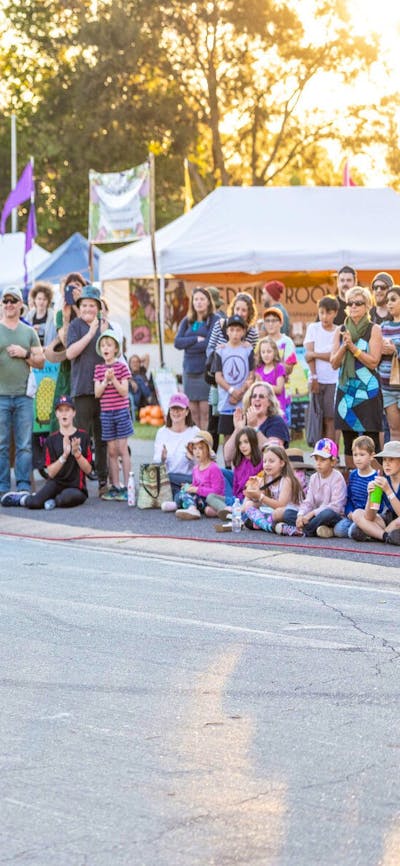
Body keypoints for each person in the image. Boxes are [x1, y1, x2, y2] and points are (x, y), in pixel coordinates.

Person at [1, 395, 91, 510]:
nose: (64, 414)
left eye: (67, 410)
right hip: (56, 483)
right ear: (56, 414)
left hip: (76, 487)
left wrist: (77, 455)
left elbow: (88, 470)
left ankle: (53, 500)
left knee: (63, 499)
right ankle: (22, 498)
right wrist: (64, 456)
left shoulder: (83, 436)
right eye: (61, 410)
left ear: (73, 413)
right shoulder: (51, 440)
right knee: (34, 503)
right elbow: (51, 473)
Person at [331, 286, 383, 468]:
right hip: (346, 389)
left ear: (367, 305)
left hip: (368, 390)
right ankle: (353, 485)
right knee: (349, 439)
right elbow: (334, 363)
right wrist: (344, 347)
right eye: (350, 303)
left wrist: (353, 348)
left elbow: (374, 361)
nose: (353, 306)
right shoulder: (341, 330)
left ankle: (377, 487)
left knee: (372, 440)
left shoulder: (374, 329)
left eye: (358, 303)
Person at [0, 286, 44, 497]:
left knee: (24, 445)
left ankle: (24, 486)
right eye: (5, 300)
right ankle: (3, 487)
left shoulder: (29, 332)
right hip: (1, 396)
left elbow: (41, 362)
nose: (9, 304)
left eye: (13, 300)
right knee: (1, 444)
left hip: (24, 397)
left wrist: (23, 353)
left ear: (20, 305)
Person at [66, 284, 110, 495]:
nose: (88, 309)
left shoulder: (105, 325)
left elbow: (111, 353)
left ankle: (103, 480)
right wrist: (91, 333)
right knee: (81, 437)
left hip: (103, 388)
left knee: (102, 437)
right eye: (84, 305)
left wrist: (102, 332)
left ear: (98, 307)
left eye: (92, 305)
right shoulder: (75, 325)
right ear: (79, 307)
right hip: (82, 388)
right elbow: (70, 353)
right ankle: (79, 480)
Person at [206, 291, 258, 450]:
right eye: (238, 309)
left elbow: (251, 368)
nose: (240, 313)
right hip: (222, 388)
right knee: (216, 425)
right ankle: (216, 464)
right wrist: (219, 351)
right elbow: (210, 349)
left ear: (249, 312)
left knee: (243, 431)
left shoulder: (252, 335)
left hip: (242, 391)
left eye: (244, 310)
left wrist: (240, 392)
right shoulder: (220, 325)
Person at [275, 438, 347, 538]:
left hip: (331, 516)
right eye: (316, 459)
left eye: (323, 460)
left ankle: (302, 531)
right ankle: (314, 530)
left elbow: (336, 507)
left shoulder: (337, 477)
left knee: (327, 514)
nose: (318, 463)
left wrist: (312, 513)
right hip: (315, 518)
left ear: (333, 462)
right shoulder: (314, 477)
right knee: (288, 514)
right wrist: (301, 515)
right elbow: (309, 501)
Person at [94, 330, 133, 501]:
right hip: (106, 414)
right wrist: (104, 380)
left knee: (122, 449)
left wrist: (114, 379)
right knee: (111, 451)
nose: (105, 348)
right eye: (103, 345)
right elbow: (97, 393)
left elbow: (124, 391)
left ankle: (127, 485)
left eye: (109, 345)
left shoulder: (122, 367)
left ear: (116, 348)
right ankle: (115, 486)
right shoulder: (99, 369)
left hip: (121, 412)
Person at [46, 271, 87, 432]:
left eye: (77, 286)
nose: (73, 290)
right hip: (67, 369)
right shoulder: (60, 314)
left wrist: (78, 307)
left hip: (85, 368)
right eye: (70, 287)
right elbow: (66, 342)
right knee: (63, 406)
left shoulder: (89, 310)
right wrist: (66, 316)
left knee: (82, 413)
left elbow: (89, 333)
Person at [174, 286, 219, 429]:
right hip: (189, 371)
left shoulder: (214, 320)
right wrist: (195, 339)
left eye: (202, 299)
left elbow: (209, 344)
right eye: (196, 299)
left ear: (208, 302)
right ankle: (194, 444)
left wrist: (190, 345)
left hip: (205, 372)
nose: (199, 302)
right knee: (192, 411)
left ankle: (204, 443)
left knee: (205, 411)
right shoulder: (187, 321)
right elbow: (177, 343)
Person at [223, 381, 290, 468]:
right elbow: (227, 457)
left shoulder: (277, 422)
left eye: (261, 396)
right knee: (220, 474)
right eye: (254, 396)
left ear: (269, 402)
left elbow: (272, 453)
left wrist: (254, 428)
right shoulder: (245, 420)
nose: (257, 399)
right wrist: (238, 429)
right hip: (244, 473)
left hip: (266, 473)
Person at [241, 444, 303, 532]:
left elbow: (281, 505)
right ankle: (269, 525)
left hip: (289, 511)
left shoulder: (286, 480)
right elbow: (253, 505)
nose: (267, 465)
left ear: (282, 463)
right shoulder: (266, 478)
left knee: (277, 513)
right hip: (272, 511)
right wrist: (250, 493)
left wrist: (260, 497)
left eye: (271, 461)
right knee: (249, 505)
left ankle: (263, 523)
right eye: (265, 461)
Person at [206, 426, 263, 523]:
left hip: (250, 500)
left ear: (253, 442)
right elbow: (236, 486)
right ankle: (229, 511)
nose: (243, 446)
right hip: (237, 500)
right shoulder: (239, 462)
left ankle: (229, 512)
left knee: (209, 510)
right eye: (240, 443)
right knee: (210, 497)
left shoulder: (260, 462)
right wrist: (232, 500)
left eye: (246, 442)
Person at [350, 440, 400, 545]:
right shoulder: (383, 480)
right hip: (388, 518)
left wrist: (388, 491)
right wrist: (370, 496)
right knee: (357, 514)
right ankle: (385, 536)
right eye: (384, 460)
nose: (387, 463)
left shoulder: (386, 485)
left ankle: (375, 534)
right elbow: (370, 517)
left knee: (398, 523)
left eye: (391, 459)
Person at [153, 393, 199, 503]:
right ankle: (187, 500)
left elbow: (204, 463)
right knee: (170, 484)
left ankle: (184, 498)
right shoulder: (162, 432)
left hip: (188, 478)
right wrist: (162, 458)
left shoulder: (195, 432)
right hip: (168, 481)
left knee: (169, 479)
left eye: (180, 409)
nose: (176, 412)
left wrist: (192, 458)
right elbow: (156, 464)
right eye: (173, 409)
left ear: (187, 411)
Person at [304, 295, 339, 442]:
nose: (324, 317)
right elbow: (308, 356)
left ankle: (330, 452)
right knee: (317, 418)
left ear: (335, 313)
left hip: (333, 380)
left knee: (330, 419)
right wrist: (314, 377)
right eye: (322, 312)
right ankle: (319, 453)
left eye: (329, 313)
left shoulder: (338, 331)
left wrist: (315, 354)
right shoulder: (313, 328)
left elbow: (335, 356)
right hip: (317, 379)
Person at [214, 314, 255, 441]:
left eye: (238, 330)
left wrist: (241, 392)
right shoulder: (220, 351)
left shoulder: (248, 350)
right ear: (227, 331)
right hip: (226, 402)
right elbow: (218, 377)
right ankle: (228, 461)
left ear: (243, 332)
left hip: (243, 402)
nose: (235, 333)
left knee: (244, 435)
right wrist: (232, 391)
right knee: (228, 437)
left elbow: (251, 374)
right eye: (232, 330)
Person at [333, 435, 378, 538]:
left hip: (368, 517)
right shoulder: (353, 474)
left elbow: (376, 505)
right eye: (355, 455)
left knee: (352, 530)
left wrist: (363, 517)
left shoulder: (375, 478)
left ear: (371, 456)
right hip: (352, 515)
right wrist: (349, 512)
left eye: (362, 455)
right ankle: (363, 532)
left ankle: (366, 530)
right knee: (339, 530)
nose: (358, 459)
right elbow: (349, 497)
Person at [175, 430, 224, 520]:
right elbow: (196, 485)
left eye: (201, 448)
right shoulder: (195, 468)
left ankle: (192, 509)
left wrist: (197, 490)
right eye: (194, 448)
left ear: (208, 450)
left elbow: (217, 491)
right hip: (199, 497)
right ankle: (186, 506)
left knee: (185, 496)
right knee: (182, 492)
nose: (197, 452)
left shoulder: (213, 468)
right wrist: (190, 487)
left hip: (209, 500)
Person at [262, 306, 297, 423]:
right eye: (267, 321)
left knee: (282, 424)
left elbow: (289, 368)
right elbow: (259, 367)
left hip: (283, 392)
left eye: (274, 320)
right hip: (264, 393)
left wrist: (270, 364)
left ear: (281, 323)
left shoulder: (287, 342)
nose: (270, 324)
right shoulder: (262, 342)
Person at [377, 286, 400, 441]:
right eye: (388, 300)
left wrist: (395, 351)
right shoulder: (383, 327)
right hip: (386, 386)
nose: (389, 303)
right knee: (394, 430)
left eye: (393, 299)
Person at [254, 336, 286, 415]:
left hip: (277, 409)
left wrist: (262, 384)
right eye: (263, 352)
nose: (266, 355)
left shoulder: (279, 368)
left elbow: (279, 389)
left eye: (269, 352)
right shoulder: (259, 369)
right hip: (263, 409)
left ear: (274, 352)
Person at [26, 281, 57, 346]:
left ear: (48, 301)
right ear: (34, 299)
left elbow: (56, 337)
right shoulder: (29, 316)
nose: (41, 302)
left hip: (48, 353)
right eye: (39, 299)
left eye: (44, 299)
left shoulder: (53, 316)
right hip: (32, 353)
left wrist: (41, 328)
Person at [128, 353, 154, 419]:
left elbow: (147, 356)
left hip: (143, 399)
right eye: (133, 362)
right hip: (135, 397)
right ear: (129, 365)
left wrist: (137, 359)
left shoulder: (142, 370)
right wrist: (131, 381)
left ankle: (150, 398)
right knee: (139, 379)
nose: (135, 364)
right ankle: (150, 398)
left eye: (137, 362)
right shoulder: (128, 375)